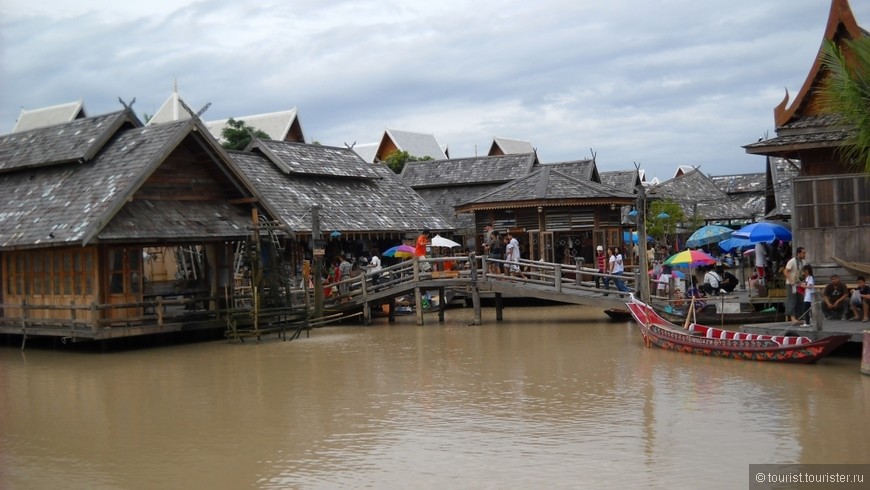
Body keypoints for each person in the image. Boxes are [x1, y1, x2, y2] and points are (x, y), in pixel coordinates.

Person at [783, 247, 806, 322]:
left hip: (799, 283)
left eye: (804, 253)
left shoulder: (803, 262)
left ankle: (800, 316)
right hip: (791, 284)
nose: (804, 254)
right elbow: (786, 271)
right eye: (803, 253)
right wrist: (791, 280)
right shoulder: (792, 261)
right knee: (792, 300)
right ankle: (792, 317)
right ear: (798, 253)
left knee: (800, 300)